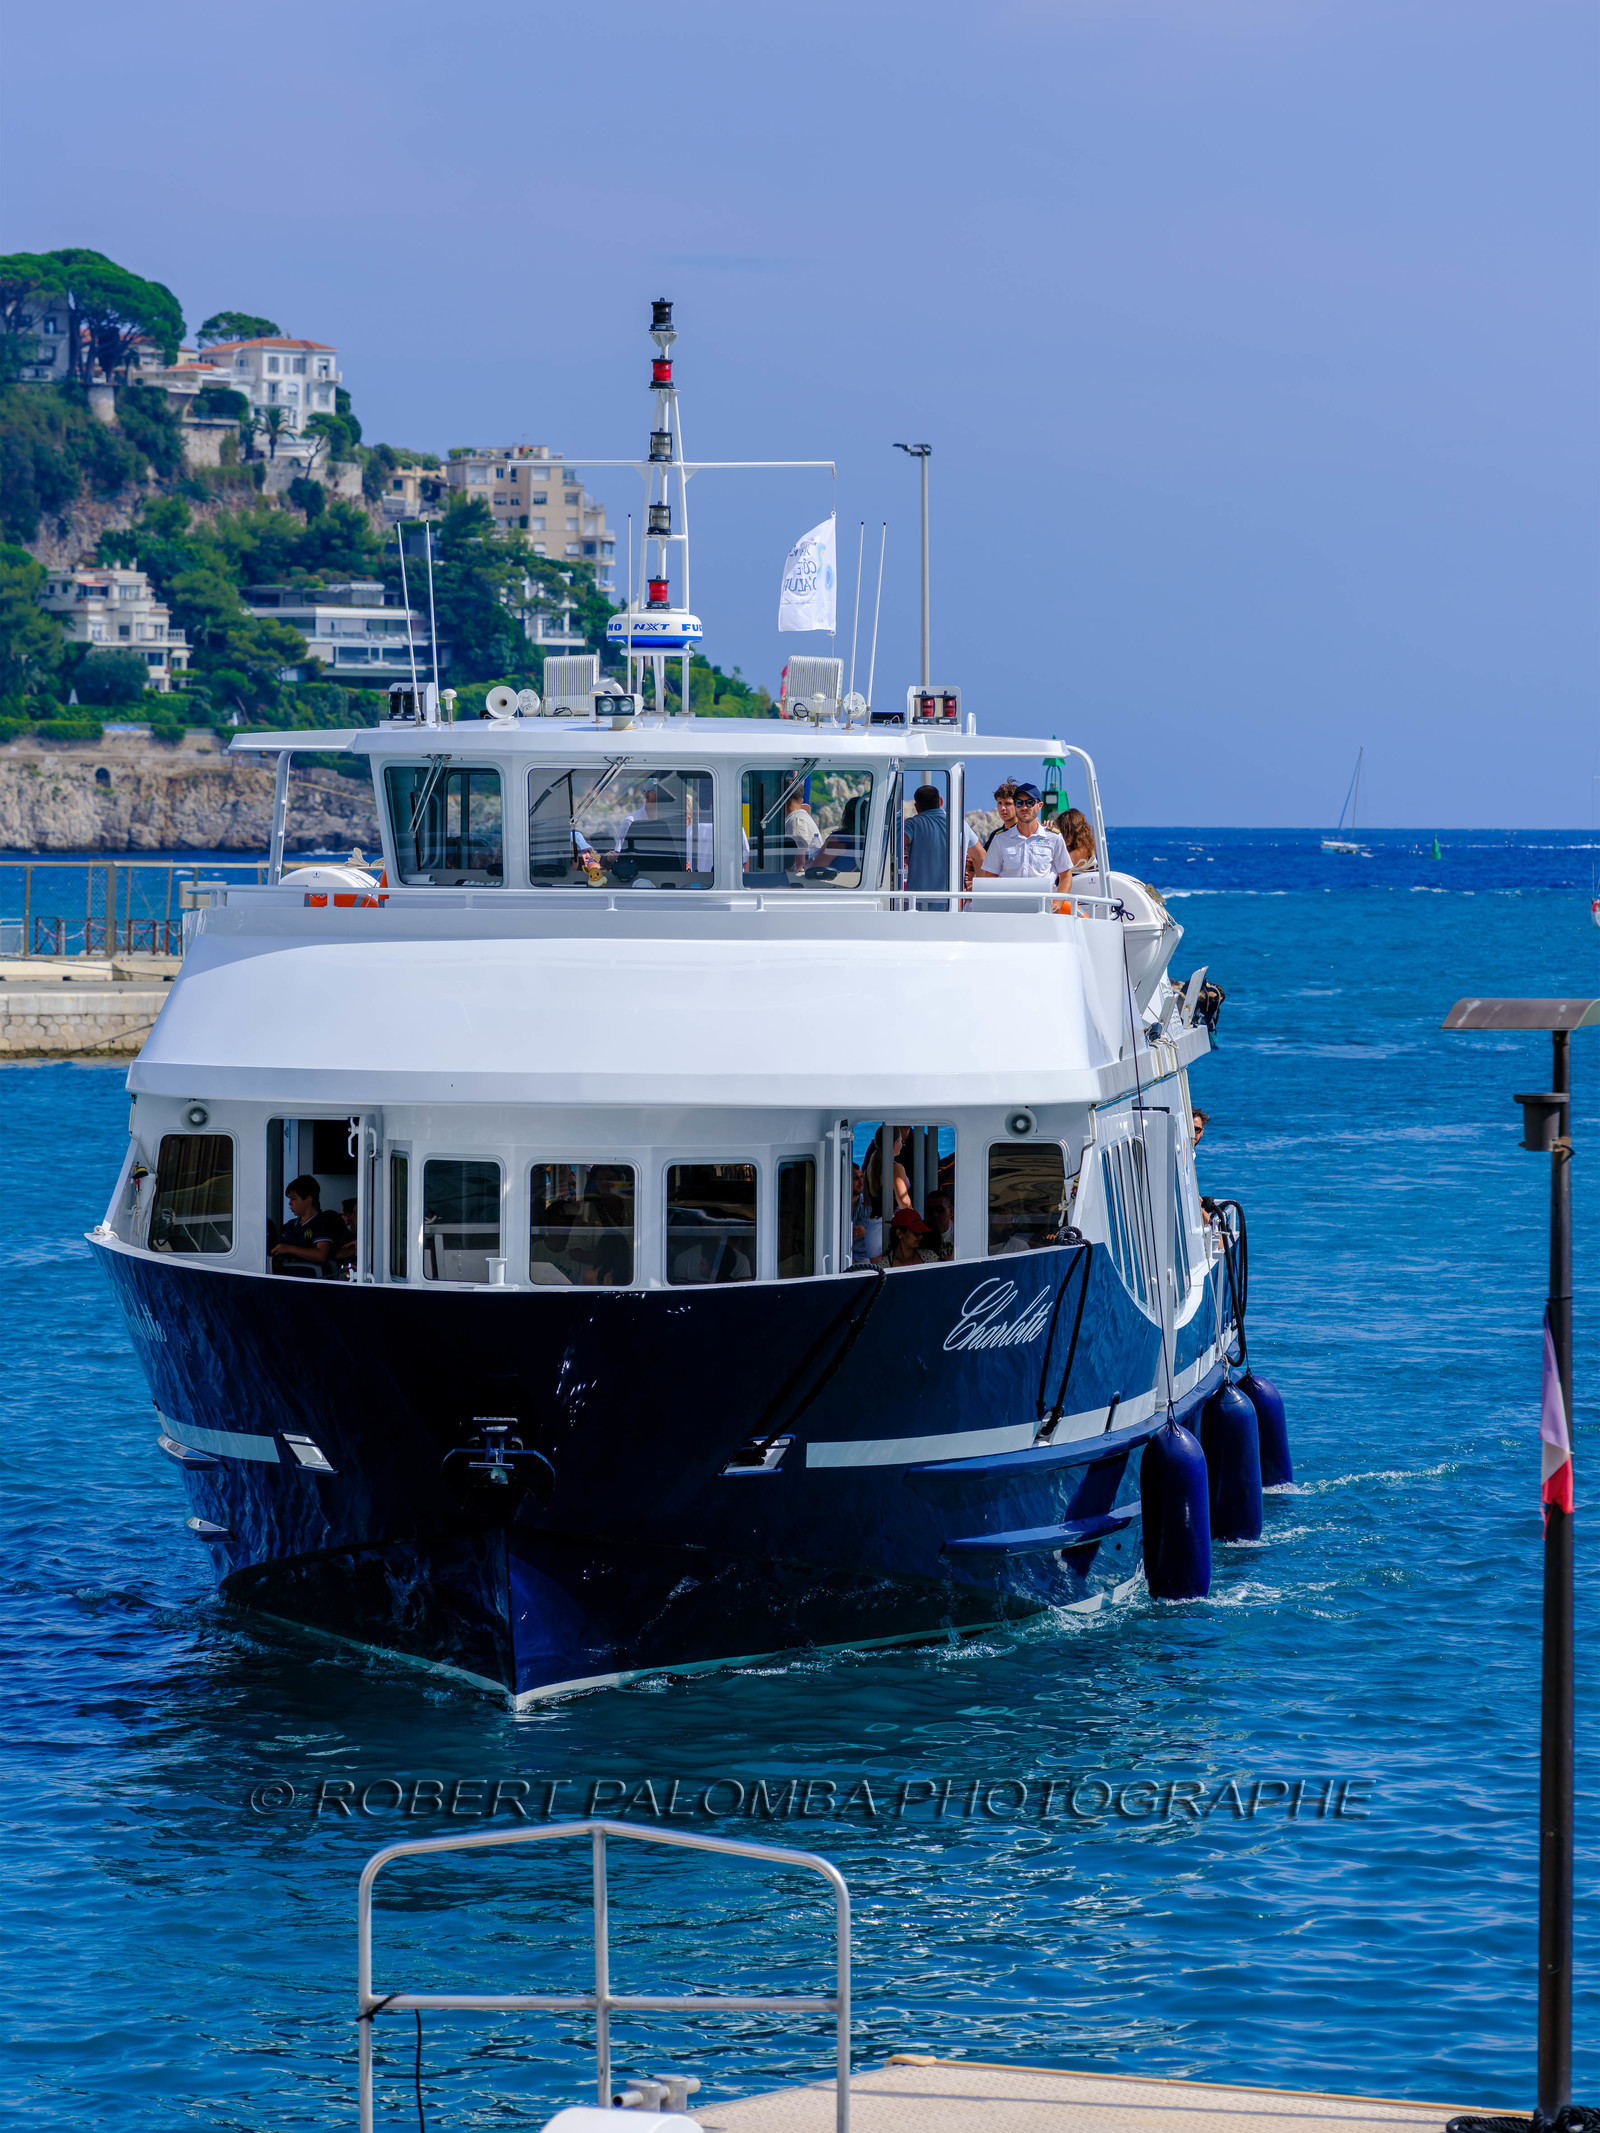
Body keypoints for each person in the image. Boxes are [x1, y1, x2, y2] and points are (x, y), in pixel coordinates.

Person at [975, 784, 1072, 890]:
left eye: (1030, 803)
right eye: (1019, 803)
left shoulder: (1054, 838)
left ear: (1040, 805)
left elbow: (1066, 876)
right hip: (1010, 904)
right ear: (1015, 806)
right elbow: (990, 876)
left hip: (1043, 904)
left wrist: (1057, 903)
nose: (1024, 807)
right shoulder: (1000, 839)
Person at [271, 1176, 346, 1275]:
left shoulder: (323, 1222)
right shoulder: (289, 1226)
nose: (290, 1203)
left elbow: (321, 1254)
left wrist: (288, 1249)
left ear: (308, 1199)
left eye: (294, 1199)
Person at [966, 780, 1018, 887]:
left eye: (1008, 804)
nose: (1002, 808)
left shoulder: (1027, 834)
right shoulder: (996, 835)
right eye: (999, 803)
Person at [903, 785, 949, 895]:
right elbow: (980, 856)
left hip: (917, 903)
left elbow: (892, 847)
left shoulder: (912, 825)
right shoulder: (960, 825)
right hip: (950, 904)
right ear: (941, 801)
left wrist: (910, 860)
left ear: (916, 807)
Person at [924, 1190, 955, 1261]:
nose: (934, 1214)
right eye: (929, 1210)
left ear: (951, 1211)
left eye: (939, 1209)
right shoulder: (918, 1236)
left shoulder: (960, 1235)